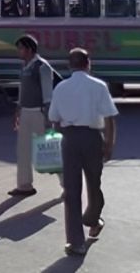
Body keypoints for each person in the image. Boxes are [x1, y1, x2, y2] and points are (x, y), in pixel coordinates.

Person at [48, 48, 118, 256]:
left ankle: (75, 242)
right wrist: (109, 144)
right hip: (92, 137)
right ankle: (92, 219)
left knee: (71, 190)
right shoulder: (99, 86)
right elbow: (109, 118)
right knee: (94, 183)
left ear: (69, 65)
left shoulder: (61, 87)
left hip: (69, 138)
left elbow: (54, 119)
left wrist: (64, 138)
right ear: (88, 63)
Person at [9, 34, 55, 197]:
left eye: (21, 48)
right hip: (26, 112)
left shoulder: (42, 66)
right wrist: (18, 110)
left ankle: (66, 184)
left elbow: (48, 95)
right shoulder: (24, 67)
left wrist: (48, 119)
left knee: (49, 151)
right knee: (23, 150)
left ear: (29, 49)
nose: (18, 51)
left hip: (39, 112)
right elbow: (22, 91)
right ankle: (24, 185)